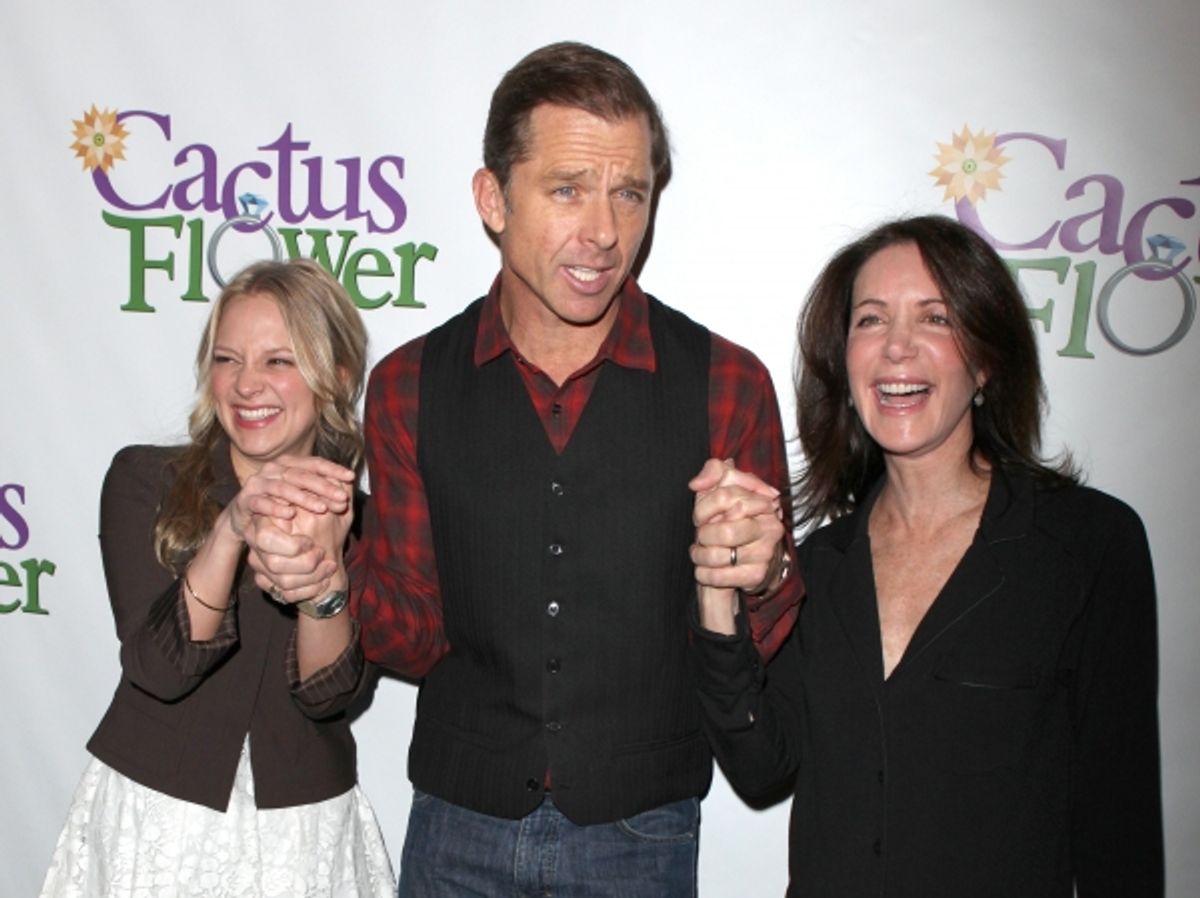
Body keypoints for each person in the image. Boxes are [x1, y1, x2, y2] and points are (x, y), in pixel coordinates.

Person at [250, 41, 802, 897]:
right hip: (455, 826)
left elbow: (757, 648)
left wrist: (759, 574)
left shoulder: (726, 381)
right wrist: (334, 569)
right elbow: (412, 635)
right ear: (492, 198)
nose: (605, 232)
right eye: (568, 189)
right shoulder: (408, 385)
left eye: (630, 194)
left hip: (643, 830)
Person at [690, 215, 1164, 897]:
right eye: (871, 321)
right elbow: (762, 767)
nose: (896, 350)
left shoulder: (1087, 546)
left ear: (985, 359)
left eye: (935, 318)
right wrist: (716, 594)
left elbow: (1119, 828)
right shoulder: (820, 565)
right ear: (844, 362)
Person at [39, 259, 394, 898]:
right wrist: (231, 526)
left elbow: (329, 696)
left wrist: (323, 580)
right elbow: (160, 669)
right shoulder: (147, 481)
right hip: (155, 826)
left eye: (278, 361)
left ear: (336, 377)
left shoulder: (363, 519)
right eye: (228, 359)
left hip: (301, 836)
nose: (247, 385)